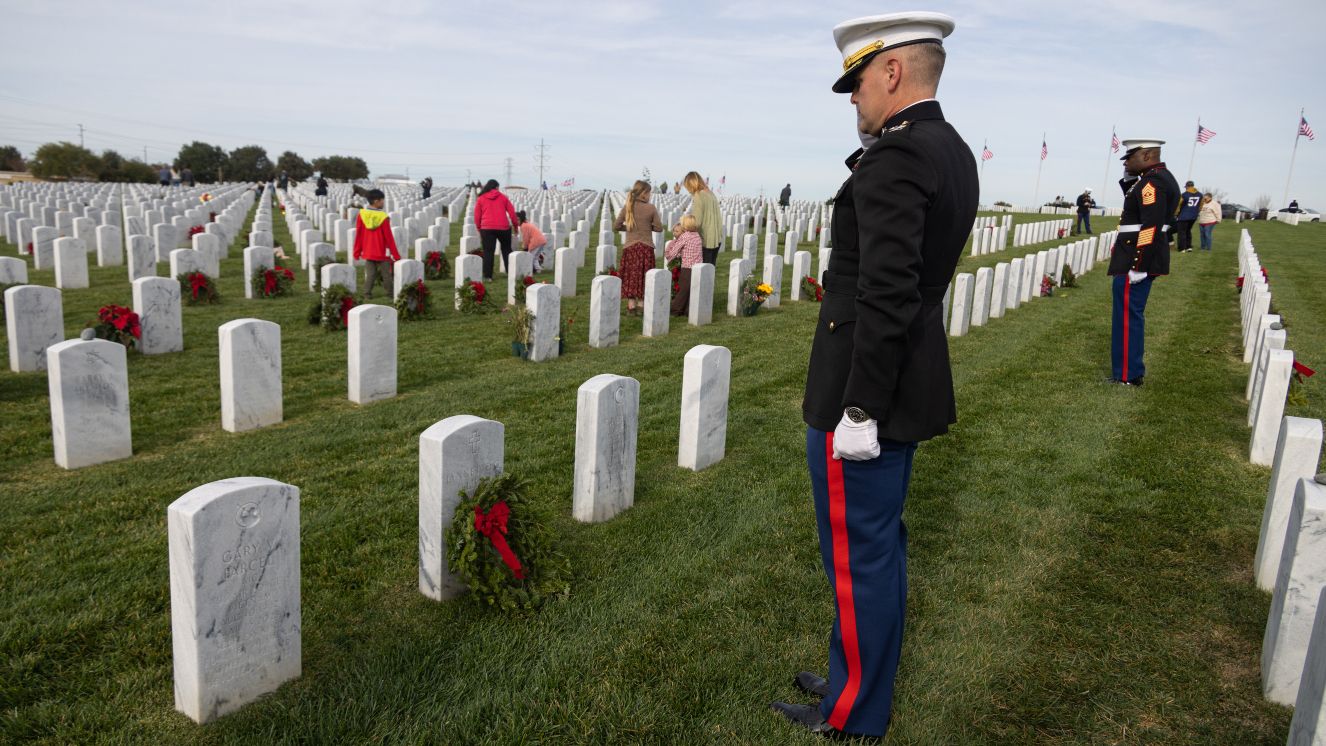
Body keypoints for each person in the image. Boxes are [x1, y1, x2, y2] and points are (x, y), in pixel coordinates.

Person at [771, 13, 978, 741]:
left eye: (857, 82)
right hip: (906, 377)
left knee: (858, 556)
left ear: (891, 72)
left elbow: (886, 291)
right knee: (876, 545)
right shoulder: (950, 149)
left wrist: (858, 408)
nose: (853, 99)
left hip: (867, 391)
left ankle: (855, 709)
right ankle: (854, 674)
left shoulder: (895, 157)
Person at [1107, 138, 1180, 386]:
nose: (1126, 161)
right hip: (1132, 255)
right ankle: (1127, 370)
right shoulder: (1154, 179)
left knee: (1128, 317)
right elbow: (1136, 208)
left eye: (1130, 157)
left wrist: (1138, 265)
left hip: (1134, 259)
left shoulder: (1153, 183)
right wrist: (1128, 179)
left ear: (1147, 155)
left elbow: (1150, 225)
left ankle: (1127, 374)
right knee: (1127, 314)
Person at [613, 180, 662, 315]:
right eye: (649, 192)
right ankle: (641, 305)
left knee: (630, 276)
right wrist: (646, 227)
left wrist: (629, 228)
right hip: (645, 248)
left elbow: (616, 226)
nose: (650, 195)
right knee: (644, 276)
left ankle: (631, 306)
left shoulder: (628, 207)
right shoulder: (651, 208)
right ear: (644, 193)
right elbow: (659, 228)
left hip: (630, 247)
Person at [352, 188, 401, 299]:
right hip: (381, 251)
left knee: (370, 274)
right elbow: (389, 237)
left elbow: (359, 234)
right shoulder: (383, 217)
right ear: (376, 201)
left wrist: (357, 251)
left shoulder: (362, 215)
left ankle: (367, 294)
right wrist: (396, 254)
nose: (383, 202)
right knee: (386, 275)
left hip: (368, 251)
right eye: (382, 200)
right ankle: (390, 294)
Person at [474, 179, 518, 281]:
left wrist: (479, 228)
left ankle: (488, 276)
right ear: (497, 187)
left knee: (488, 252)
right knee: (507, 250)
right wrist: (516, 227)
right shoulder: (503, 197)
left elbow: (477, 216)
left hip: (487, 228)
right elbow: (512, 213)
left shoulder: (481, 198)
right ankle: (510, 273)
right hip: (503, 227)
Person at [665, 215, 703, 316]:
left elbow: (675, 250)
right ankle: (688, 310)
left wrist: (668, 255)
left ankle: (675, 310)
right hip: (698, 267)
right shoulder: (697, 235)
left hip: (688, 267)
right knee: (691, 290)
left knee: (683, 290)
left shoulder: (685, 236)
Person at [683, 171, 721, 265]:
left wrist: (684, 226)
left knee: (702, 273)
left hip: (706, 239)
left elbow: (697, 222)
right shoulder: (711, 194)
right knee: (710, 270)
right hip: (716, 238)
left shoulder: (699, 195)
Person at [1174, 180, 1201, 252]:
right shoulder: (1200, 195)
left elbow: (1178, 205)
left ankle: (1182, 248)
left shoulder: (1184, 195)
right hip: (1193, 217)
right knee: (1188, 231)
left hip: (1183, 216)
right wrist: (1196, 212)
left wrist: (1176, 214)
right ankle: (1189, 247)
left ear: (1187, 186)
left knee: (1181, 232)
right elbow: (1201, 206)